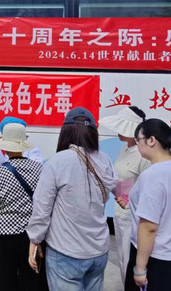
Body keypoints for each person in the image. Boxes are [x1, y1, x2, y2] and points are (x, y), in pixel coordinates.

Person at [27, 107, 117, 291]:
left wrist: (35, 239)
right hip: (99, 250)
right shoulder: (105, 159)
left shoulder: (57, 162)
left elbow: (42, 208)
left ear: (66, 132)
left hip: (66, 251)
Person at [124, 118, 171, 291]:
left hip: (156, 260)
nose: (137, 145)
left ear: (151, 140)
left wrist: (140, 268)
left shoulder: (153, 175)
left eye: (138, 140)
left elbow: (149, 227)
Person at [0, 123, 43, 290]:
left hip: (4, 235)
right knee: (31, 280)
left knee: (3, 280)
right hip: (31, 233)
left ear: (5, 147)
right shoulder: (39, 169)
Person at [98, 106, 149, 285]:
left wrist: (130, 200)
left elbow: (147, 188)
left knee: (129, 260)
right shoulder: (124, 149)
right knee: (122, 259)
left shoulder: (143, 155)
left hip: (133, 216)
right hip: (120, 211)